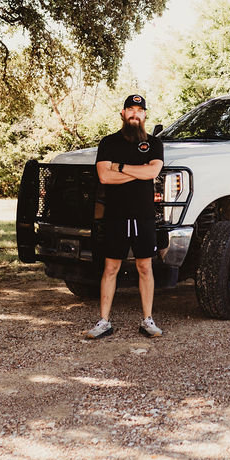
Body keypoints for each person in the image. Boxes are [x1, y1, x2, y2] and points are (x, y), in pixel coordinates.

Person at [85, 94, 165, 339]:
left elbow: (154, 170)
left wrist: (119, 167)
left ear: (144, 115)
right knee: (111, 267)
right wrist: (139, 172)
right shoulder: (109, 143)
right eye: (130, 109)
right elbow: (104, 177)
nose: (134, 114)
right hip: (116, 215)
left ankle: (148, 320)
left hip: (144, 215)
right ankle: (104, 321)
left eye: (139, 110)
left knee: (145, 266)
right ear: (122, 113)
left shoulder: (154, 144)